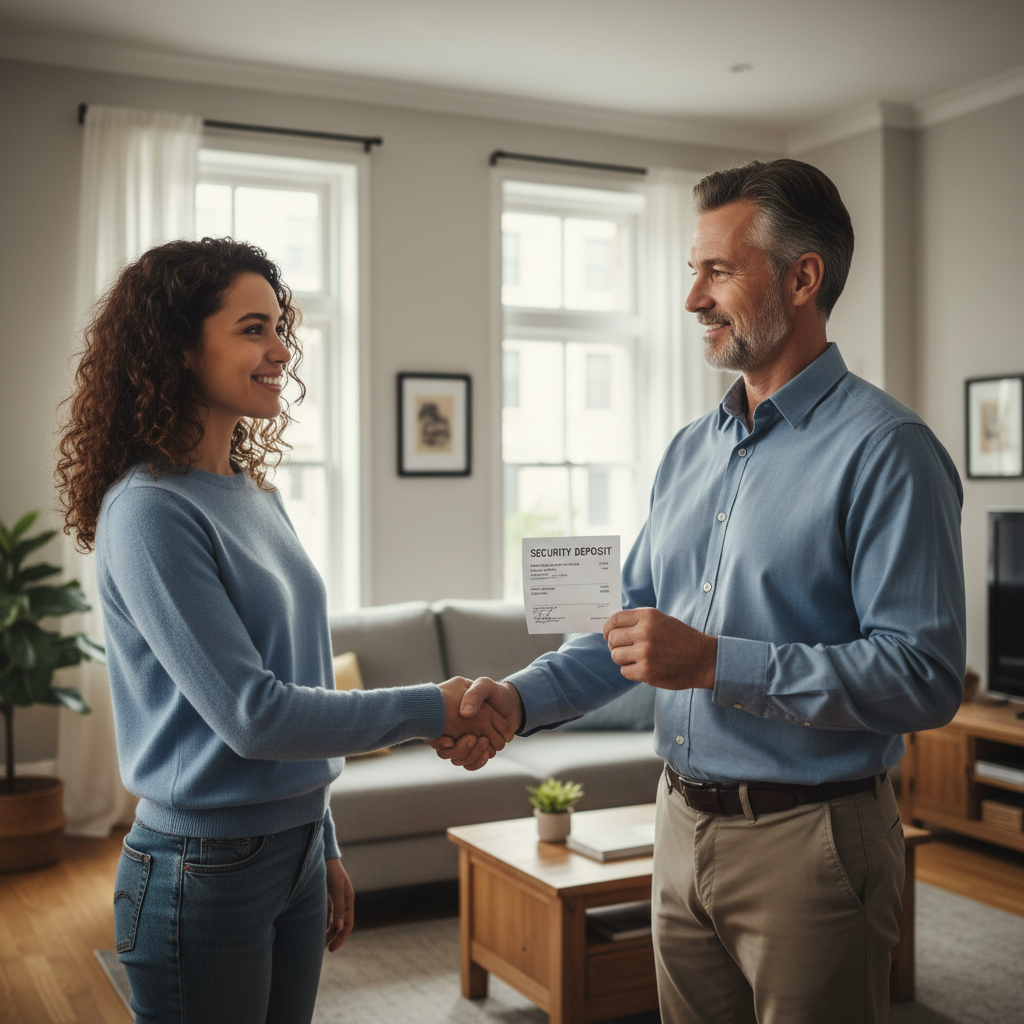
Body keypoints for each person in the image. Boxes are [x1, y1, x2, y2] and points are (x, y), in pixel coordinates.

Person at [437, 159, 966, 1024]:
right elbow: (627, 635)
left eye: (717, 271)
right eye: (694, 270)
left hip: (814, 842)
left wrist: (719, 662)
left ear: (803, 278)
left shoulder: (888, 450)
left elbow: (925, 677)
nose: (693, 299)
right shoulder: (690, 450)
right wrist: (514, 701)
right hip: (677, 826)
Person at [56, 237, 512, 1024]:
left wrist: (321, 840)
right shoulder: (151, 512)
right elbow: (254, 713)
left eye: (281, 326)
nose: (281, 349)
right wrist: (433, 708)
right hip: (203, 869)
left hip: (294, 852)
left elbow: (293, 679)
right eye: (253, 328)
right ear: (179, 347)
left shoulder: (254, 494)